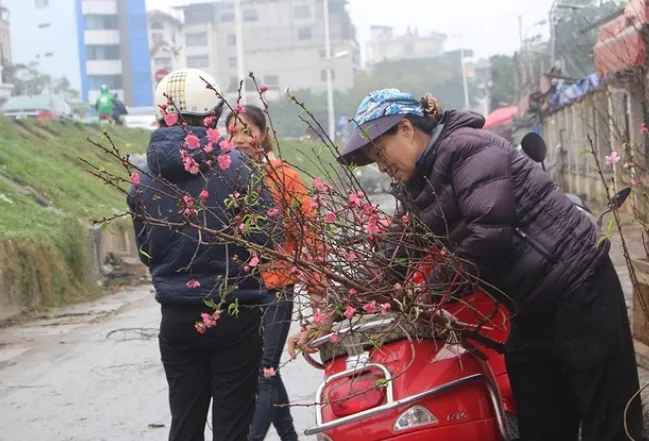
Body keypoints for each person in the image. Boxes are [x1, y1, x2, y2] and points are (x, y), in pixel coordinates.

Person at [292, 88, 644, 441]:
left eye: (380, 152)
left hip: (580, 287)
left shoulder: (470, 150)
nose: (382, 166)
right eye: (373, 160)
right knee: (542, 420)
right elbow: (389, 262)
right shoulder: (420, 189)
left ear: (406, 128)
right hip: (529, 307)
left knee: (610, 420)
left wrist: (426, 294)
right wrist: (328, 318)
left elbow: (489, 238)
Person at [127, 69, 280, 441]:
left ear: (163, 115)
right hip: (236, 314)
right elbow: (270, 237)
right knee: (232, 428)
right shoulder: (240, 169)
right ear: (212, 116)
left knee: (185, 422)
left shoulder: (142, 179)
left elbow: (147, 252)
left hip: (176, 317)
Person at [226, 105, 324, 441]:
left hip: (278, 283)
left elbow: (309, 235)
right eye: (232, 133)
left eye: (245, 130)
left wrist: (317, 294)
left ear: (263, 134)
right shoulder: (226, 179)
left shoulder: (283, 176)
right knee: (261, 368)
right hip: (244, 288)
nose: (238, 139)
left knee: (265, 370)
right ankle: (290, 437)